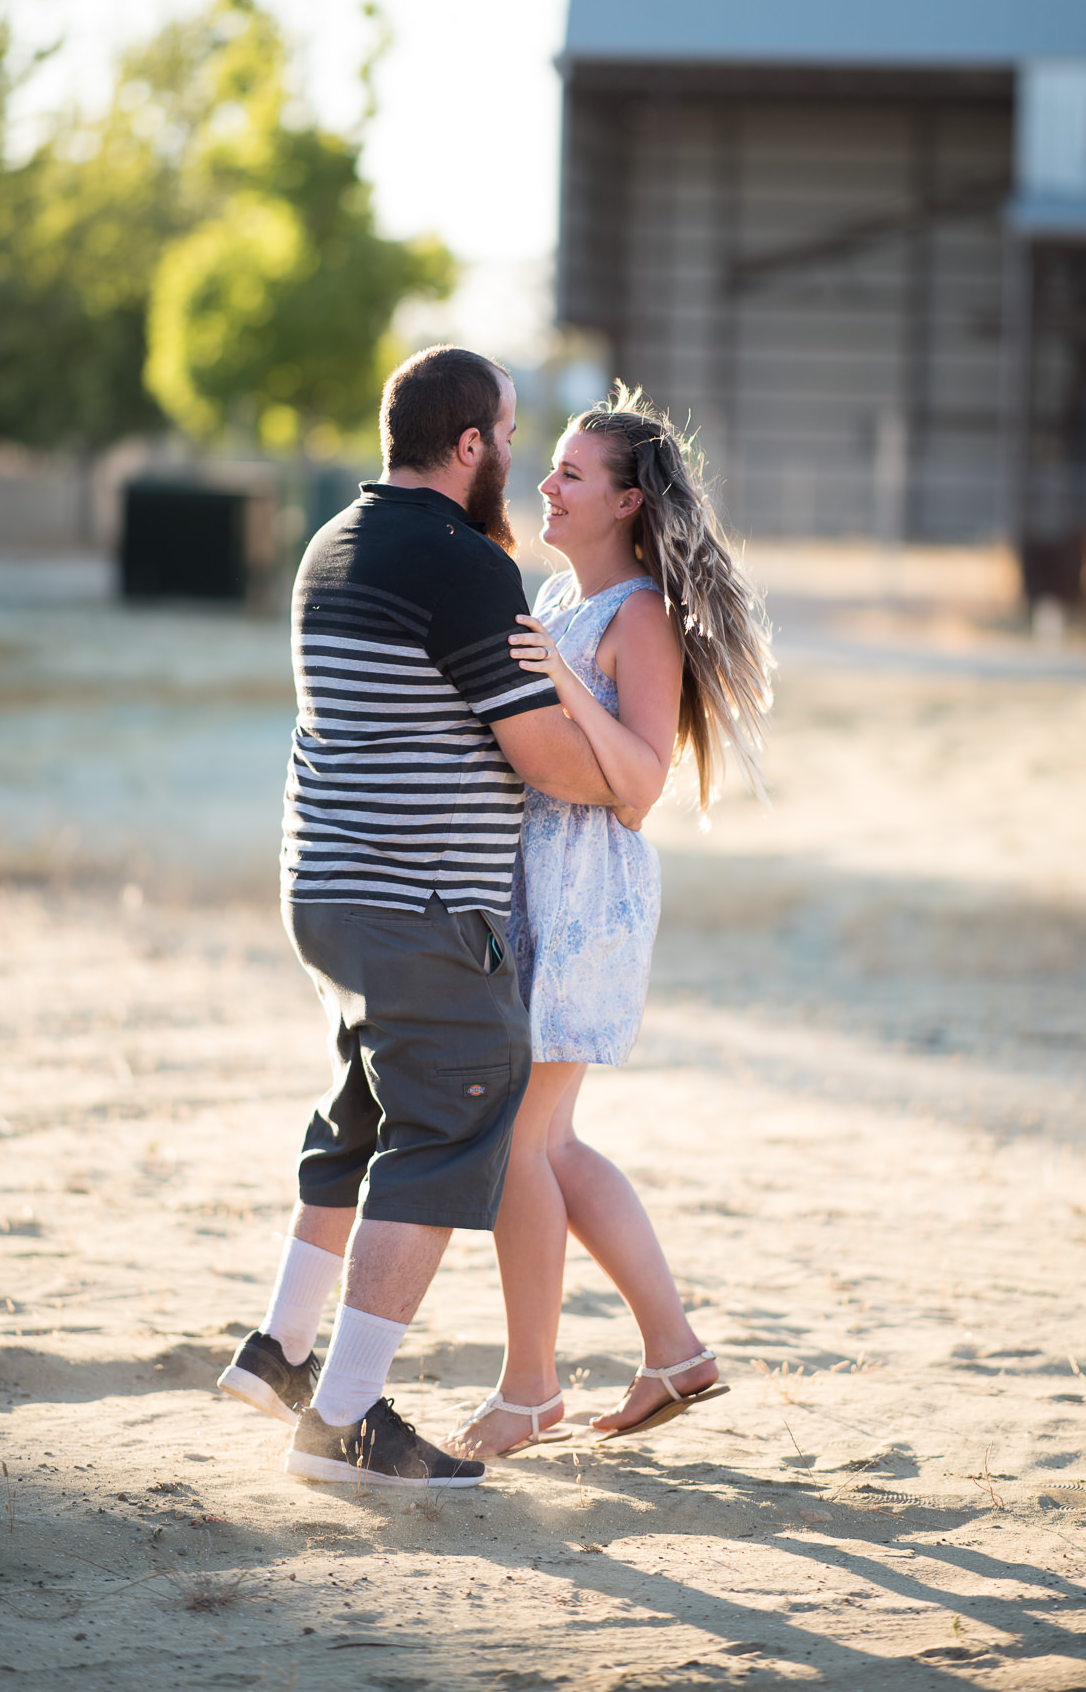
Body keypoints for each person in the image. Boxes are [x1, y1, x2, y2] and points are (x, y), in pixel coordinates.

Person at [217, 345, 630, 1492]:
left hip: (325, 891)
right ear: (469, 445)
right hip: (423, 904)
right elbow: (543, 756)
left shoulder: (332, 543)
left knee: (360, 1099)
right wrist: (631, 777)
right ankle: (344, 1422)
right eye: (508, 433)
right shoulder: (460, 564)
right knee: (458, 1111)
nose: (517, 455)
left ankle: (282, 1350)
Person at [448, 385, 773, 1459]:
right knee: (550, 1140)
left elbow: (637, 785)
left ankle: (529, 1386)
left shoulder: (637, 613)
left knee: (516, 1144)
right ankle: (673, 1350)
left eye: (571, 473)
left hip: (587, 891)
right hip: (531, 884)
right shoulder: (558, 596)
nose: (545, 481)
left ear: (626, 501)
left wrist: (563, 684)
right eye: (548, 465)